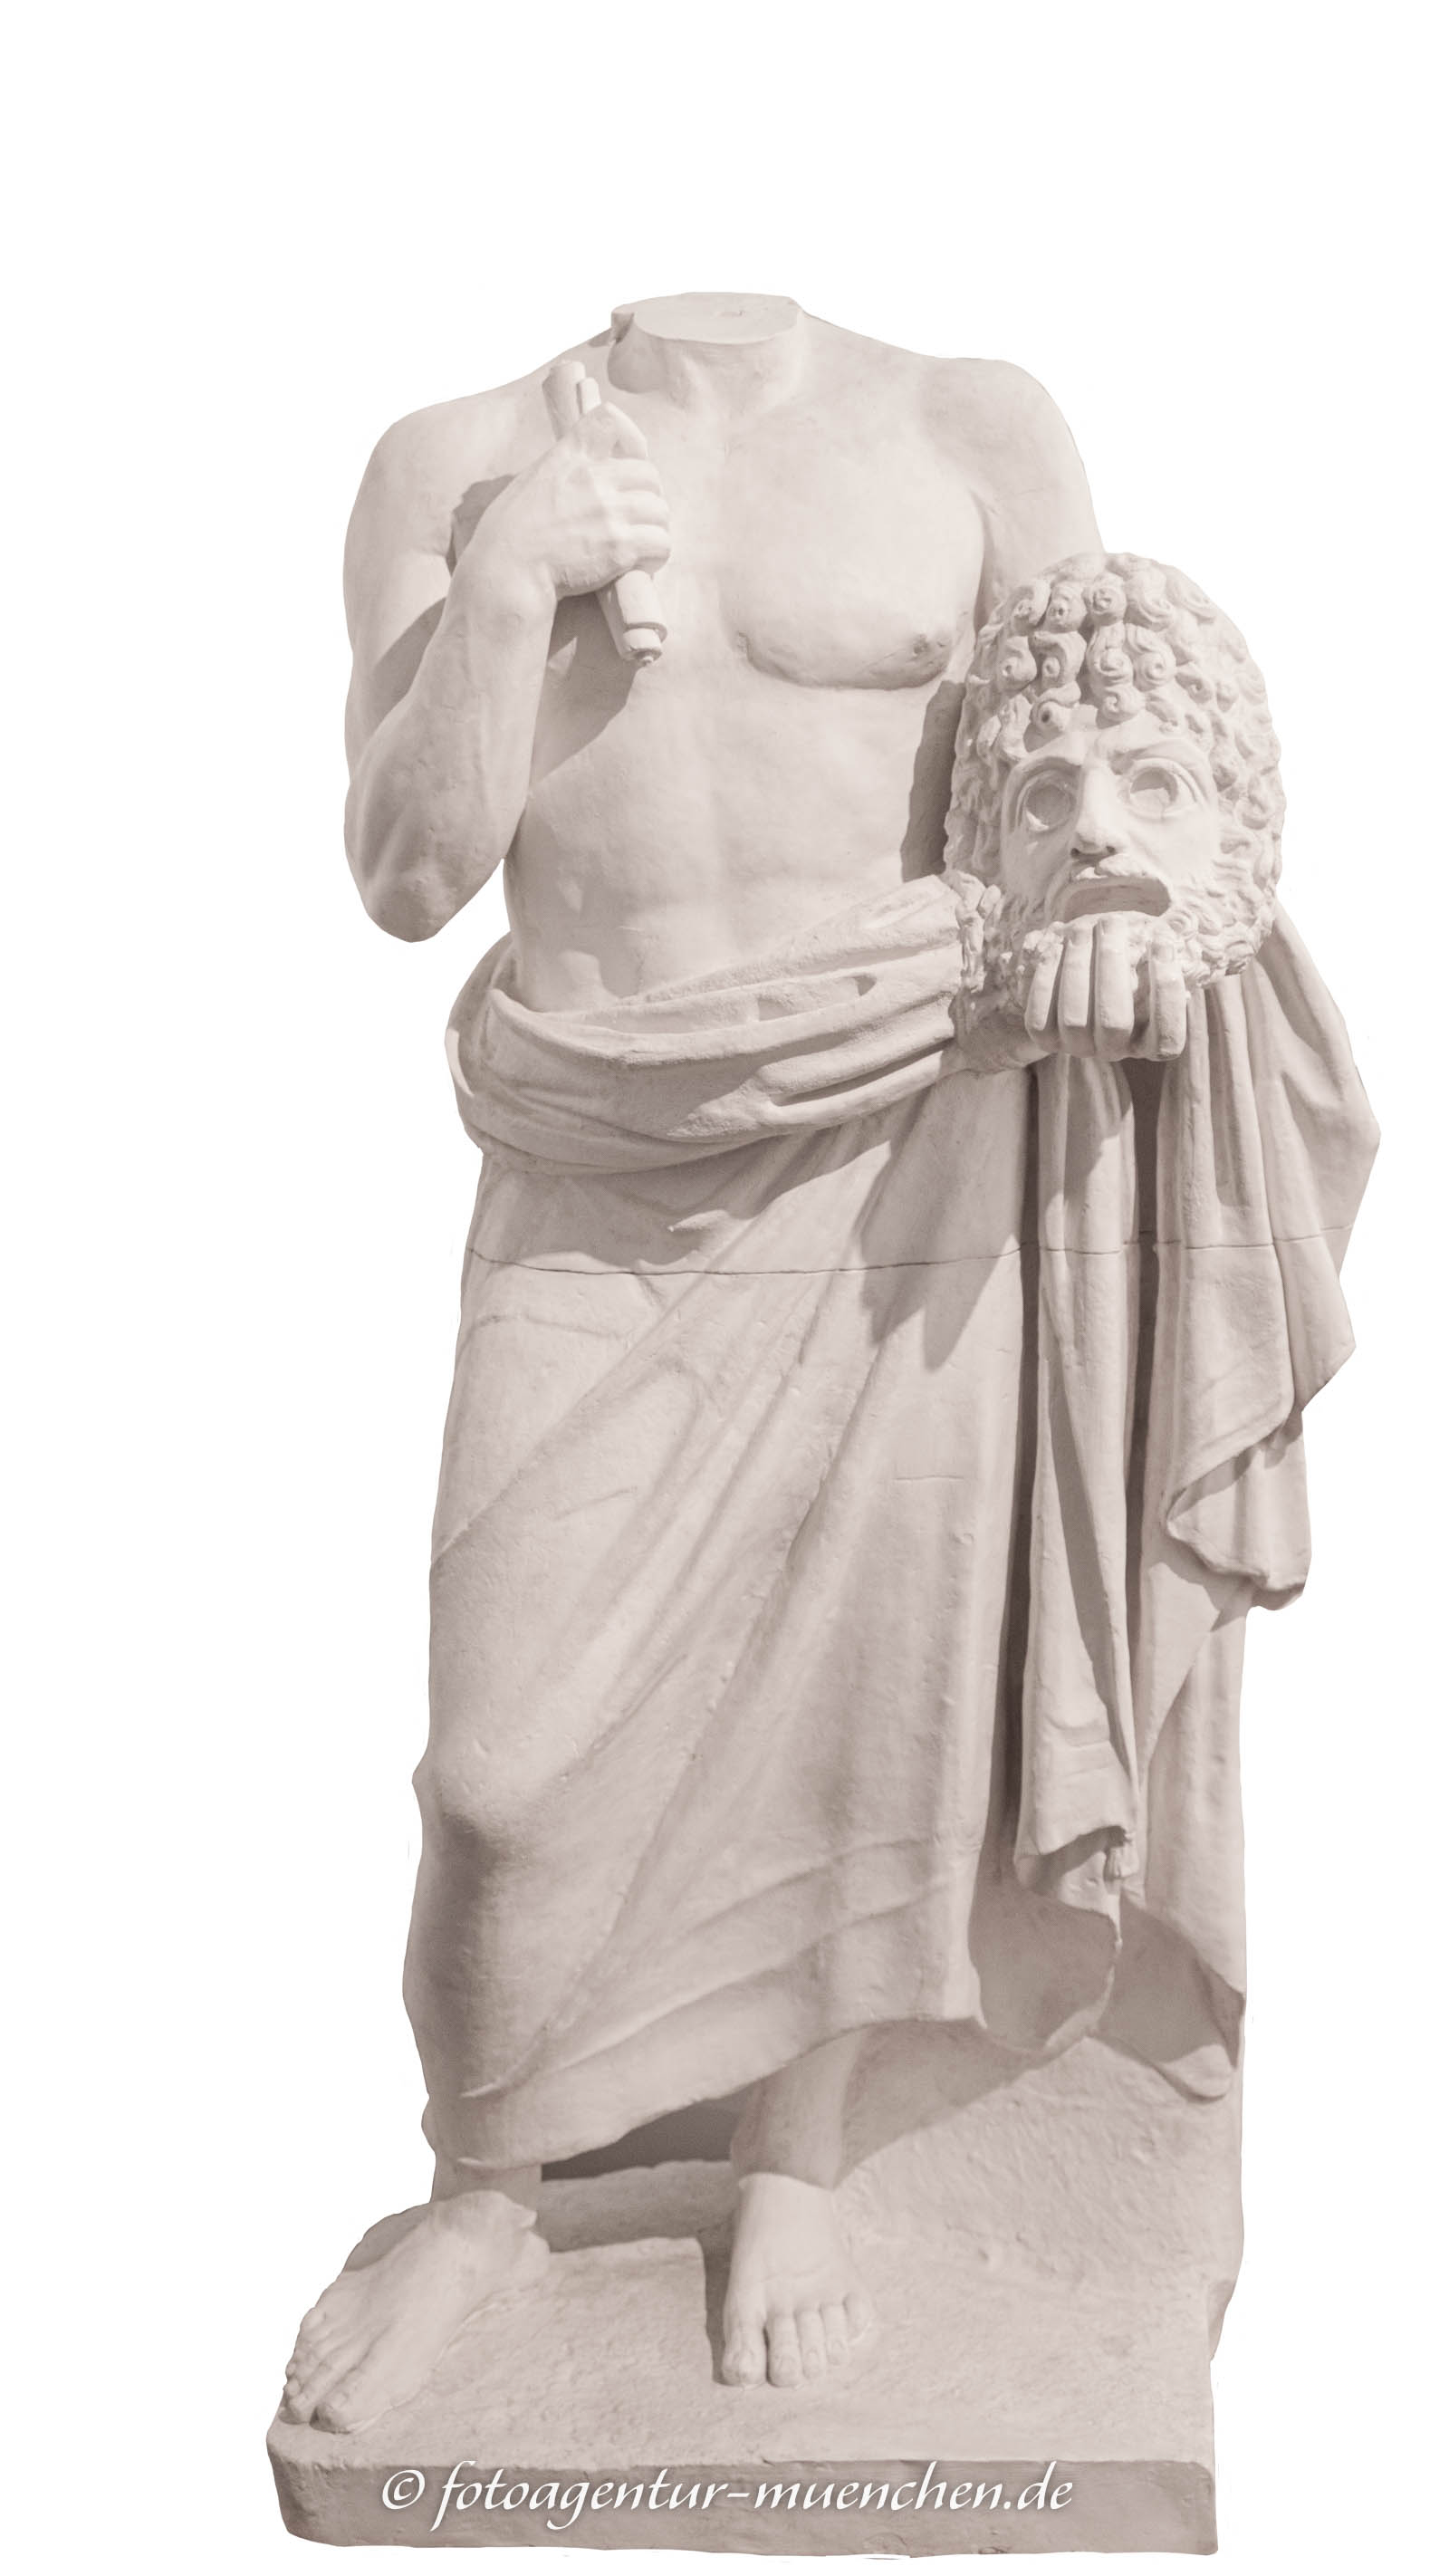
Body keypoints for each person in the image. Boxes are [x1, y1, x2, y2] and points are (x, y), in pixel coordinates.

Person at [283, 310, 1372, 2436]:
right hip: (603, 1158)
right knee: (499, 1776)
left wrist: (1135, 924)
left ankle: (797, 2161)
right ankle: (481, 2194)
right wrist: (506, 585)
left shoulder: (966, 424)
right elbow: (408, 875)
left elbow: (1117, 765)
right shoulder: (451, 459)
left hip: (914, 1140)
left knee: (883, 1708)